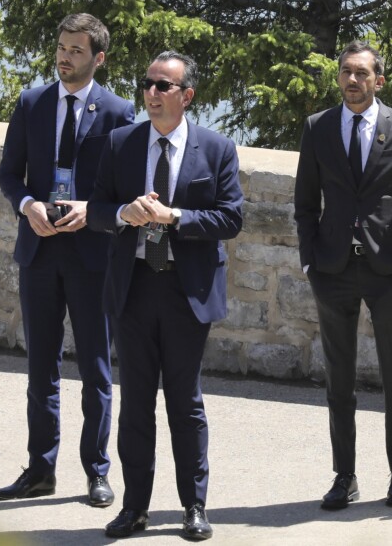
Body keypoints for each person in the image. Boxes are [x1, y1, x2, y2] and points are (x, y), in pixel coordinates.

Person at [87, 51, 243, 540]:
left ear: (186, 95)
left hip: (186, 291)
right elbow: (96, 210)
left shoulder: (216, 149)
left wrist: (174, 217)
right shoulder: (121, 143)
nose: (151, 94)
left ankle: (193, 507)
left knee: (184, 403)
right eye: (147, 84)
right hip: (133, 289)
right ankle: (135, 508)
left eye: (163, 86)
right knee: (135, 403)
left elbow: (230, 218)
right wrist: (123, 214)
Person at [0, 13, 135, 507]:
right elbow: (9, 174)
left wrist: (90, 212)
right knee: (40, 369)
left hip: (93, 255)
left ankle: (97, 471)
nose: (64, 57)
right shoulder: (32, 103)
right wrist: (28, 205)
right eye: (61, 47)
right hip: (38, 250)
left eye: (76, 50)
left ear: (97, 58)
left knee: (96, 369)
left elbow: (129, 192)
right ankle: (40, 470)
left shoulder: (118, 113)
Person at [294, 40, 392, 509]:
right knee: (339, 379)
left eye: (361, 73)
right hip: (332, 269)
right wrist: (310, 259)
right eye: (346, 72)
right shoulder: (318, 127)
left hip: (388, 268)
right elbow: (304, 202)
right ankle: (344, 476)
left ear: (379, 80)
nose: (352, 81)